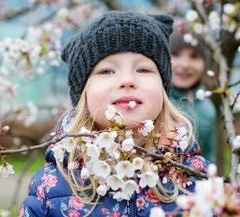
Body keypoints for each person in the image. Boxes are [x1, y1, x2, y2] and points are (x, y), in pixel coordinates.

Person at [20, 11, 210, 217]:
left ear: (164, 90)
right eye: (107, 71)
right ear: (84, 93)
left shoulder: (197, 177)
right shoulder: (52, 185)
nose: (127, 80)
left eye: (143, 70)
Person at [168, 23, 218, 163]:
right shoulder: (154, 99)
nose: (184, 65)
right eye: (175, 55)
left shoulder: (207, 109)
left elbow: (208, 157)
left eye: (194, 56)